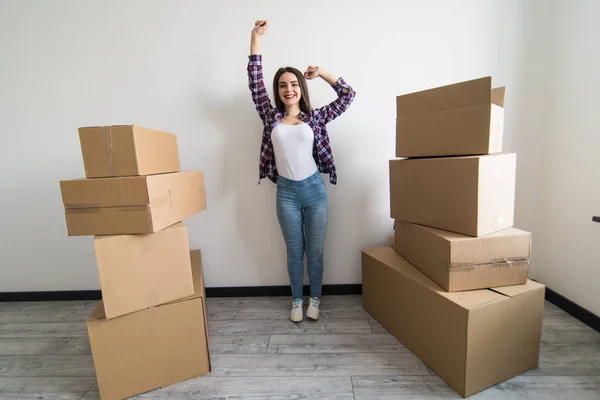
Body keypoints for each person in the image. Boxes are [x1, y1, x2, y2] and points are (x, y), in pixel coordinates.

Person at [247, 20, 356, 322]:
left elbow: (348, 95)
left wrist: (321, 73)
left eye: (293, 84)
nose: (288, 89)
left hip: (314, 191)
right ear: (278, 91)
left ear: (301, 88)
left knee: (316, 251)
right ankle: (297, 300)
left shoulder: (316, 118)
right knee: (295, 251)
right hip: (286, 193)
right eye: (283, 85)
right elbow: (255, 81)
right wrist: (255, 37)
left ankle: (315, 300)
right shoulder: (270, 118)